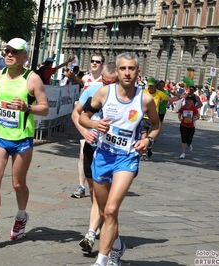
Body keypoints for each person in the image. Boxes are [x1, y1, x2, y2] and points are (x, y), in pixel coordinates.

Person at [79, 52, 161, 266]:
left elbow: (156, 125)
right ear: (117, 71)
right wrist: (95, 125)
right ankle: (117, 245)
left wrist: (148, 141)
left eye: (131, 69)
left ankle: (102, 260)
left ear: (138, 71)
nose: (127, 73)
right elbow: (82, 117)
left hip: (127, 157)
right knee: (105, 211)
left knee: (112, 209)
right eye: (123, 68)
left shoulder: (145, 99)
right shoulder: (105, 93)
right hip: (103, 155)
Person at [0, 38, 49, 244]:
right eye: (7, 50)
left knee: (18, 184)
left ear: (25, 56)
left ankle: (21, 216)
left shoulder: (32, 79)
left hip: (21, 138)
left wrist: (28, 107)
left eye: (15, 52)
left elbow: (44, 107)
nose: (9, 54)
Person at [71, 62, 118, 253]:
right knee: (95, 192)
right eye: (104, 81)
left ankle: (97, 234)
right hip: (93, 146)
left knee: (110, 201)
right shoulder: (95, 90)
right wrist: (85, 131)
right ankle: (95, 231)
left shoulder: (129, 96)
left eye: (111, 82)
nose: (106, 85)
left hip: (116, 154)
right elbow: (77, 114)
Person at [70, 54, 105, 199]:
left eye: (98, 62)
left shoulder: (106, 81)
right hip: (85, 120)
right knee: (82, 154)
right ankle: (81, 185)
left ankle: (98, 182)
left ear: (102, 64)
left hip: (100, 120)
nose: (94, 63)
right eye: (92, 61)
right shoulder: (85, 78)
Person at [141, 77, 185, 161]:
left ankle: (149, 146)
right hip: (144, 117)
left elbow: (171, 99)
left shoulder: (159, 93)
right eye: (149, 86)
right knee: (143, 135)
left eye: (152, 86)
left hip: (153, 118)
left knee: (150, 136)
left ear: (155, 85)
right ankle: (143, 153)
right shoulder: (144, 92)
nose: (150, 88)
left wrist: (180, 97)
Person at [178, 94, 200, 159]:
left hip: (191, 126)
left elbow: (198, 116)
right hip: (183, 125)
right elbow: (179, 114)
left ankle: (189, 144)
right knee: (183, 139)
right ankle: (183, 153)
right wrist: (180, 118)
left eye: (190, 100)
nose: (188, 101)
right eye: (187, 100)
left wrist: (193, 119)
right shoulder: (183, 108)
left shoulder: (194, 108)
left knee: (189, 139)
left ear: (192, 101)